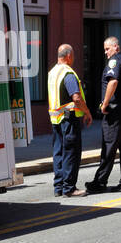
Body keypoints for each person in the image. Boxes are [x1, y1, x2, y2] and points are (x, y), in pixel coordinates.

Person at [86, 37, 121, 193]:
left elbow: (113, 82)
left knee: (109, 148)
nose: (105, 52)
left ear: (116, 47)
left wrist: (105, 103)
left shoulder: (114, 62)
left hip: (116, 112)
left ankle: (100, 182)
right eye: (104, 49)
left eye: (107, 49)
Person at [47, 43, 91, 198]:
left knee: (58, 152)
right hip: (69, 118)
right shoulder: (68, 73)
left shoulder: (52, 72)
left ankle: (58, 187)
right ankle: (69, 188)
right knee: (71, 153)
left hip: (56, 119)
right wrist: (87, 112)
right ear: (69, 56)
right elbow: (76, 98)